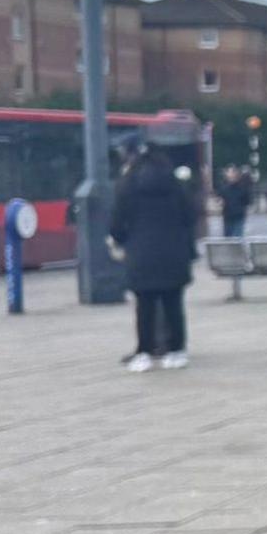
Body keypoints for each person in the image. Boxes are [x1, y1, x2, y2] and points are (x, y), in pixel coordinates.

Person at [109, 146, 196, 372]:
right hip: (174, 253)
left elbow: (117, 223)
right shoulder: (176, 186)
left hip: (141, 253)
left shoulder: (127, 186)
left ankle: (144, 352)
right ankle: (176, 351)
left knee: (144, 306)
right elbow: (189, 216)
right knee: (173, 305)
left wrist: (123, 240)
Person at [216, 166, 254, 239]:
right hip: (228, 216)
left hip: (238, 216)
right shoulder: (224, 188)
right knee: (228, 238)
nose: (231, 176)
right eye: (229, 173)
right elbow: (220, 198)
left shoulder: (242, 188)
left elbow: (247, 200)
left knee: (237, 238)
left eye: (232, 173)